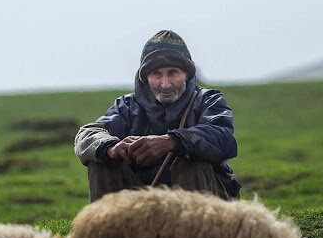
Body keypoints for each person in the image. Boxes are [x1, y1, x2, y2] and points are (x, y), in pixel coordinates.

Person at [74, 30, 241, 202]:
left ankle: (195, 228)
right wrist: (111, 147)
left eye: (173, 73)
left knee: (191, 162)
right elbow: (88, 133)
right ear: (146, 78)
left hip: (208, 206)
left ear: (187, 74)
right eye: (157, 74)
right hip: (144, 204)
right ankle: (106, 227)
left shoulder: (208, 100)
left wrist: (172, 141)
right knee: (102, 162)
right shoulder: (127, 106)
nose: (165, 84)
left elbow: (224, 138)